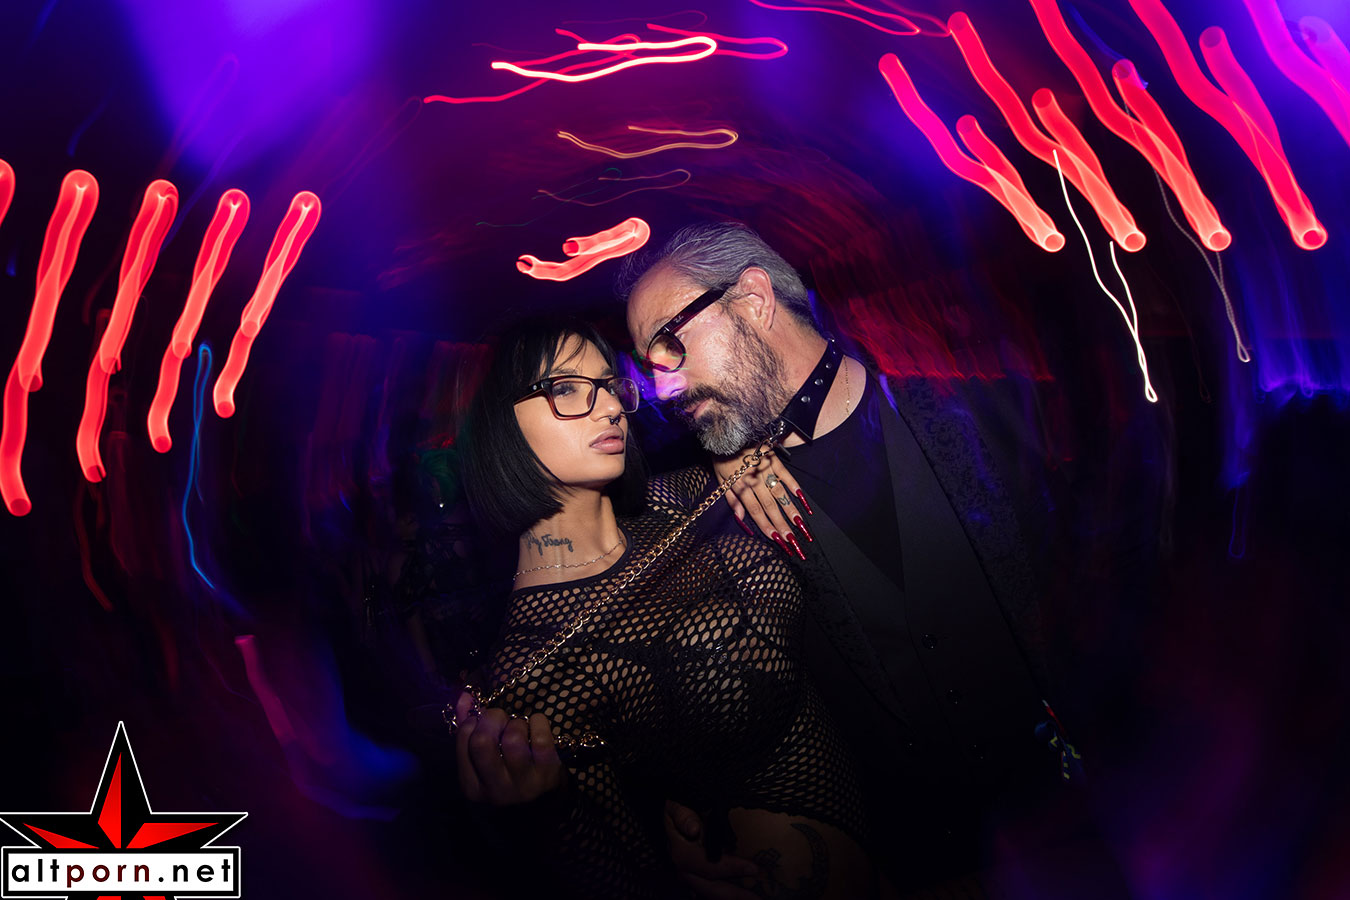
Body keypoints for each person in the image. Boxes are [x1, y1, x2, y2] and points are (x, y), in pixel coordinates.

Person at [620, 222, 1124, 896]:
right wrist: (694, 796)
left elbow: (1098, 591)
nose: (664, 388)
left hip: (1069, 832)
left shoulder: (979, 412)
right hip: (903, 866)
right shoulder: (706, 505)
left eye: (671, 345)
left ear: (754, 299)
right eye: (649, 364)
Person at [454, 317, 880, 898]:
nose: (611, 408)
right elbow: (623, 880)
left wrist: (731, 452)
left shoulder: (672, 498)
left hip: (908, 823)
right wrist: (547, 820)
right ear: (498, 423)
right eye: (567, 388)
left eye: (609, 386)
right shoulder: (533, 666)